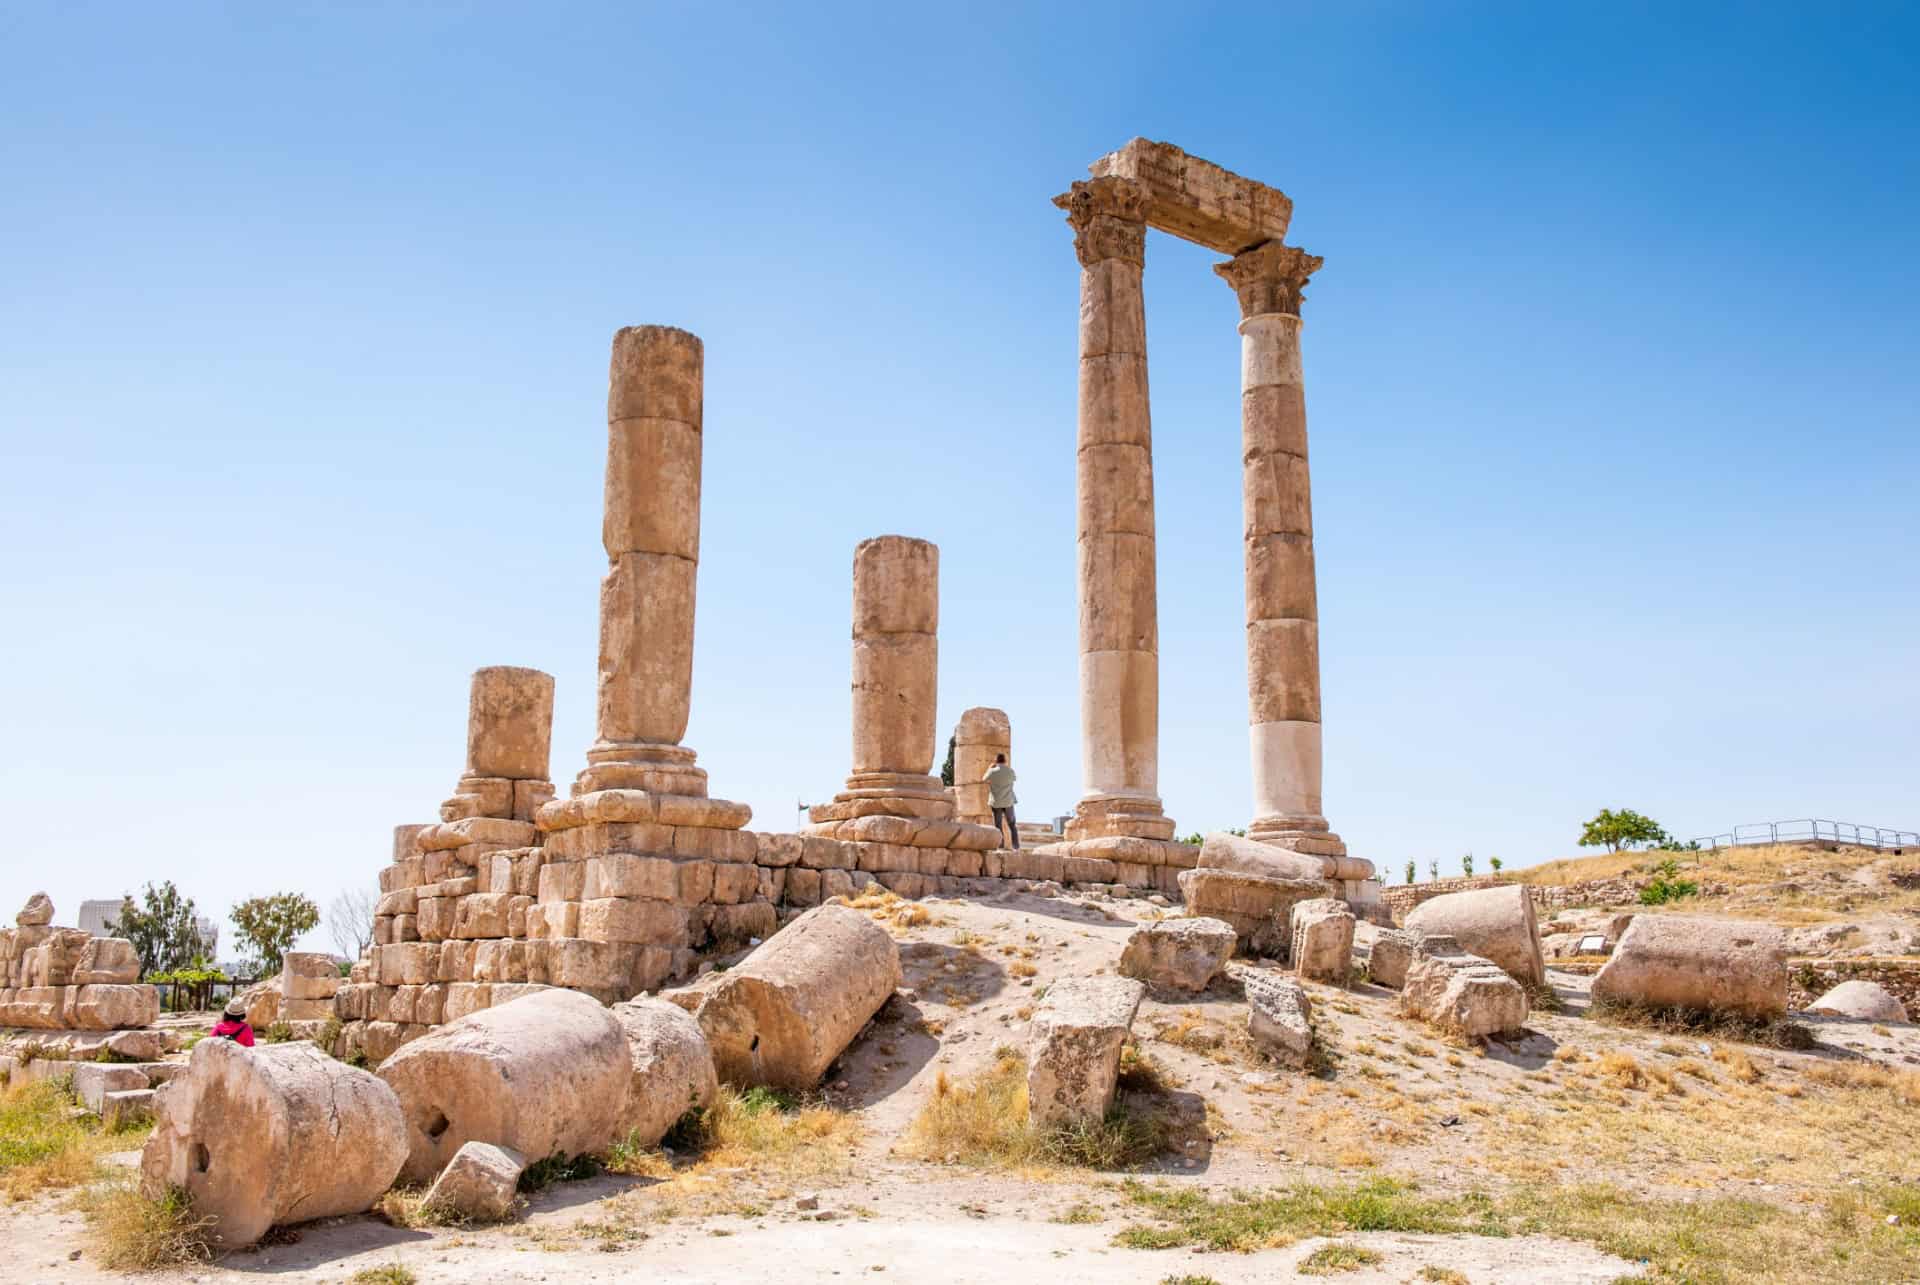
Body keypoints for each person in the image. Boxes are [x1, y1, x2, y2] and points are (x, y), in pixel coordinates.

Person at [983, 752, 1019, 850]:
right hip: (1008, 801)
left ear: (996, 761)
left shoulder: (992, 771)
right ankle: (1016, 846)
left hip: (996, 802)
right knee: (1012, 825)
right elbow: (1014, 779)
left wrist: (990, 768)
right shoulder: (1010, 771)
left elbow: (984, 779)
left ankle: (1000, 846)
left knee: (998, 825)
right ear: (1005, 761)